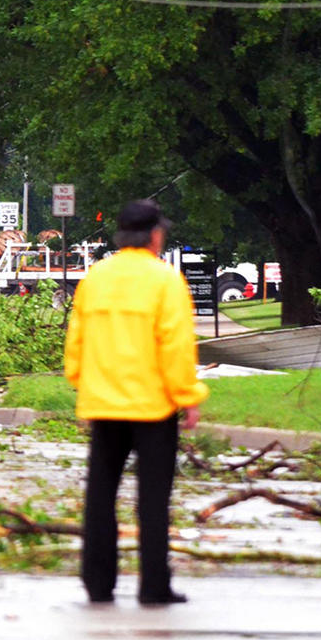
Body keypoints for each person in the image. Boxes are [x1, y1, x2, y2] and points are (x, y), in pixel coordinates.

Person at [64, 199, 209, 606]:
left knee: (100, 495)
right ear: (156, 235)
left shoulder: (96, 278)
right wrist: (188, 397)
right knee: (153, 499)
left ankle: (97, 582)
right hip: (152, 406)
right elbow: (176, 348)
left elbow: (76, 344)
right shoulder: (165, 281)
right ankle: (153, 585)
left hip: (103, 403)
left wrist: (84, 382)